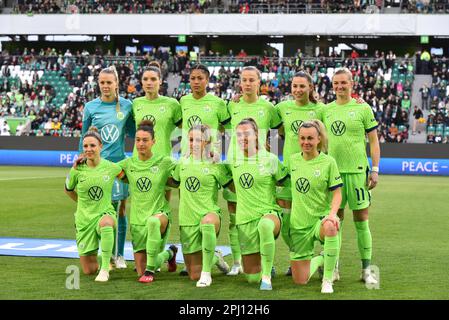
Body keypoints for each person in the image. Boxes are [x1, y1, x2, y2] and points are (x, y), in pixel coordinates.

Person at [323, 67, 380, 286]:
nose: (339, 87)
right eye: (335, 83)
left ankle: (366, 270)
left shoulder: (363, 108)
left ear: (351, 83)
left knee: (362, 222)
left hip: (357, 173)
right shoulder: (326, 110)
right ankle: (333, 268)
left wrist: (375, 169)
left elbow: (374, 141)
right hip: (334, 175)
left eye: (343, 83)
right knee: (333, 223)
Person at [224, 66, 282, 277]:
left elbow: (276, 132)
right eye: (244, 80)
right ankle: (237, 261)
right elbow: (220, 128)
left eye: (251, 80)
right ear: (240, 83)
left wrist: (270, 153)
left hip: (259, 167)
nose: (247, 84)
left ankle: (266, 262)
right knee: (234, 215)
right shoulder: (232, 105)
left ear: (259, 83)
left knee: (262, 213)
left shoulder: (268, 108)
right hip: (235, 165)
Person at [79, 66, 135, 269]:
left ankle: (119, 255)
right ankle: (107, 255)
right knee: (102, 210)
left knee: (119, 210)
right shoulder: (90, 107)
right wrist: (81, 161)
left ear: (116, 84)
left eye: (109, 82)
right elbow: (84, 137)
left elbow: (133, 132)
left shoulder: (127, 106)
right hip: (96, 167)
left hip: (118, 166)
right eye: (102, 82)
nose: (105, 86)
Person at [178, 64, 233, 275]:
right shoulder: (183, 101)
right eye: (192, 78)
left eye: (200, 78)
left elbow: (229, 128)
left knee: (207, 207)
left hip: (210, 164)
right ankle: (193, 257)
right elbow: (180, 126)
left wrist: (216, 148)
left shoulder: (218, 103)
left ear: (207, 80)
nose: (196, 81)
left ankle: (211, 253)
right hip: (188, 162)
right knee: (187, 208)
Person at [275, 70, 326, 276]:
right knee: (288, 222)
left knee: (312, 217)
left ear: (310, 88)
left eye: (302, 86)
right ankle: (298, 255)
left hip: (313, 173)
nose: (297, 90)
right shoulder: (282, 108)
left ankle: (322, 257)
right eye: (294, 86)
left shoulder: (320, 110)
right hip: (288, 172)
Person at [229, 118, 288, 290]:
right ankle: (263, 267)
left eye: (247, 133)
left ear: (256, 135)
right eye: (239, 135)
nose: (243, 138)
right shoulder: (233, 161)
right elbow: (228, 183)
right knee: (251, 278)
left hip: (268, 213)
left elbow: (287, 183)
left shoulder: (270, 159)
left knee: (265, 225)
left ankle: (267, 277)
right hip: (245, 220)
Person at [171, 124, 232, 287]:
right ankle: (215, 257)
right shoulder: (182, 162)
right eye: (191, 139)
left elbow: (232, 185)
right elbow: (173, 182)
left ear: (207, 141)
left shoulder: (215, 163)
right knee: (192, 275)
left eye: (199, 139)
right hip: (187, 219)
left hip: (209, 215)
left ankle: (207, 275)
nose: (194, 143)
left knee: (208, 223)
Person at [118, 120, 178, 283]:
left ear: (153, 141)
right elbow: (107, 169)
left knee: (153, 222)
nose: (141, 144)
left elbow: (183, 172)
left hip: (159, 214)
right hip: (138, 220)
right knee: (140, 271)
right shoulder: (128, 164)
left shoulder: (164, 162)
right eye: (138, 140)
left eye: (145, 140)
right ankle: (170, 253)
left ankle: (150, 271)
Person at [65, 126, 126, 282]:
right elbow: (68, 189)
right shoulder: (77, 169)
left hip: (104, 212)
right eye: (85, 146)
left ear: (101, 146)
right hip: (84, 219)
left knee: (106, 223)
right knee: (89, 270)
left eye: (92, 145)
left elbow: (126, 179)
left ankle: (105, 268)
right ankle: (105, 259)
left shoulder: (112, 167)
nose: (89, 149)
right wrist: (82, 203)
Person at [288, 120, 342, 294]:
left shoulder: (328, 162)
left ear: (319, 139)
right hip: (299, 226)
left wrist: (333, 214)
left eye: (310, 138)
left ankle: (327, 280)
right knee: (300, 281)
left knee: (331, 226)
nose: (306, 142)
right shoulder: (292, 161)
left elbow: (337, 193)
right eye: (302, 138)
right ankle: (323, 258)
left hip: (320, 221)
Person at [132, 62, 182, 201]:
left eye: (153, 79)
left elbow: (185, 129)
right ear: (141, 82)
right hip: (140, 160)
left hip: (163, 160)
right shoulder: (136, 103)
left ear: (160, 81)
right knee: (141, 204)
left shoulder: (172, 104)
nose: (149, 82)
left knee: (163, 206)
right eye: (145, 79)